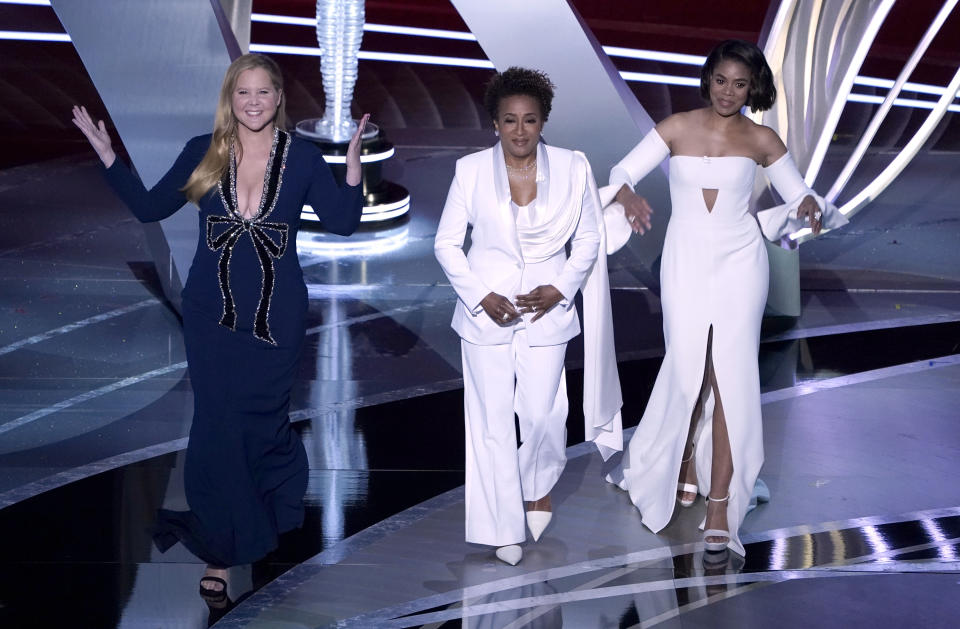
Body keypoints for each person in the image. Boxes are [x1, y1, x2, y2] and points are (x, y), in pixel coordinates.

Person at [71, 53, 367, 601]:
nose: (253, 102)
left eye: (263, 93)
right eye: (242, 93)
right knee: (215, 427)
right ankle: (222, 547)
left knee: (262, 422)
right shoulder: (202, 151)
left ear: (278, 98)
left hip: (277, 316)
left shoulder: (301, 158)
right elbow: (148, 208)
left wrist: (350, 165)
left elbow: (345, 223)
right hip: (210, 316)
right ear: (230, 99)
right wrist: (109, 155)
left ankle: (264, 511)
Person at [602, 39, 845, 557]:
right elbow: (621, 172)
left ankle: (719, 504)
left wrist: (806, 206)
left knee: (730, 376)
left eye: (740, 83)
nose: (728, 92)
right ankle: (683, 460)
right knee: (691, 366)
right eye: (720, 80)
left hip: (741, 264)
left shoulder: (762, 139)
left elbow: (797, 190)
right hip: (685, 261)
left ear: (752, 86)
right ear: (708, 78)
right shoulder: (676, 127)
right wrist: (628, 196)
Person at [434, 67, 623, 566]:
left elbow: (587, 239)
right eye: (509, 121)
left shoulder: (572, 167)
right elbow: (447, 244)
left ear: (544, 122)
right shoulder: (470, 171)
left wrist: (560, 287)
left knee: (541, 415)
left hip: (546, 311)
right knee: (491, 423)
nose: (520, 131)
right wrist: (480, 296)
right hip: (485, 317)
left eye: (530, 120)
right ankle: (502, 527)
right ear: (494, 123)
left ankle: (537, 486)